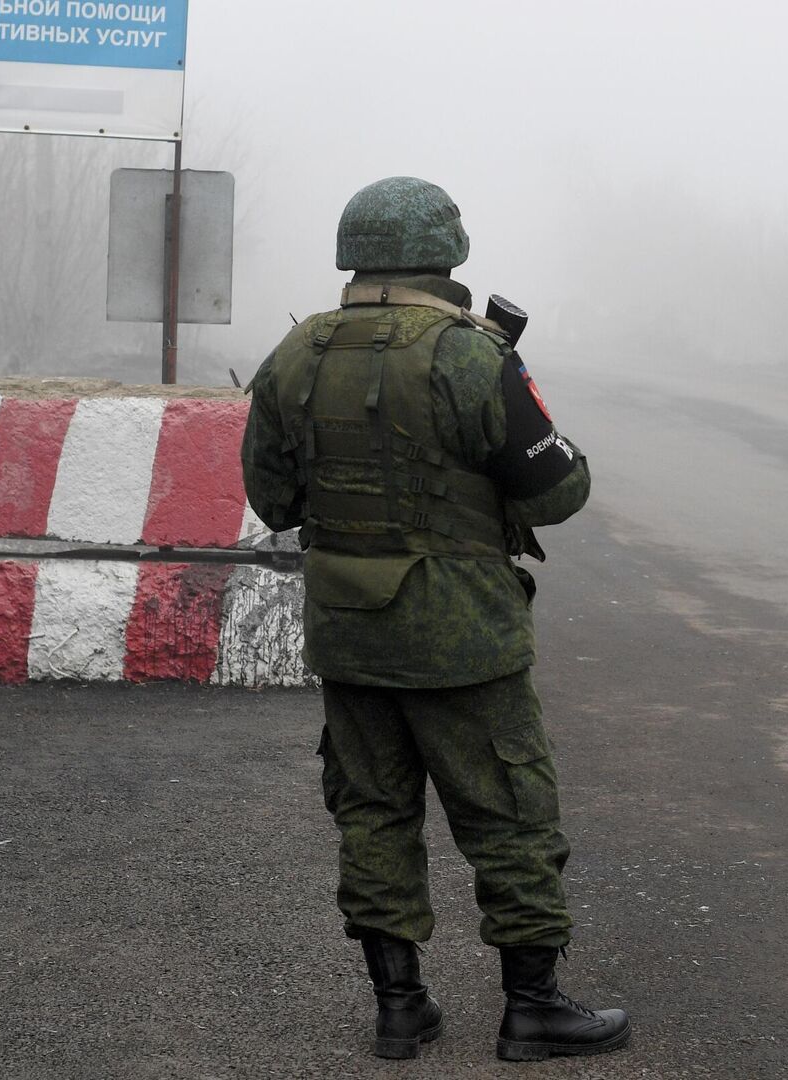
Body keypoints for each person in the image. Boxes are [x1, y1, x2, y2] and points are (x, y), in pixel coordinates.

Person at [239, 176, 629, 1062]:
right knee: (509, 814)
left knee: (373, 812)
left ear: (354, 255)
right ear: (446, 253)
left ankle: (399, 1008)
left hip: (349, 630)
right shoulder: (470, 354)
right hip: (464, 639)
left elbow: (272, 500)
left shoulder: (294, 355)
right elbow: (560, 490)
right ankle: (533, 1009)